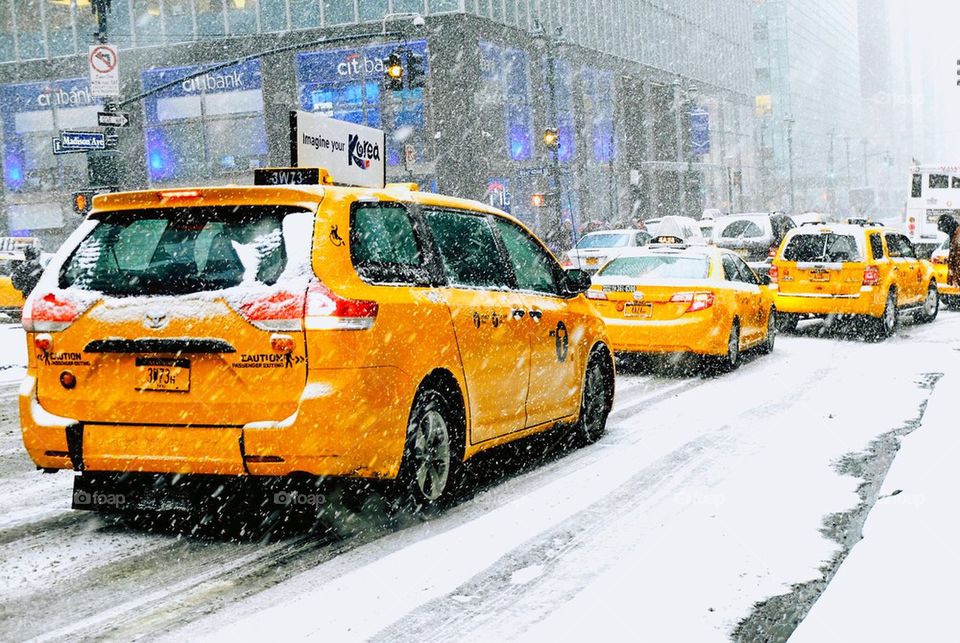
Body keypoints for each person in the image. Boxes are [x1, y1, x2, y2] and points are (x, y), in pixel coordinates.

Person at [937, 214, 960, 287]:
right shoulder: (954, 235)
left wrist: (955, 276)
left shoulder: (957, 236)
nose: (946, 233)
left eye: (945, 230)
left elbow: (957, 256)